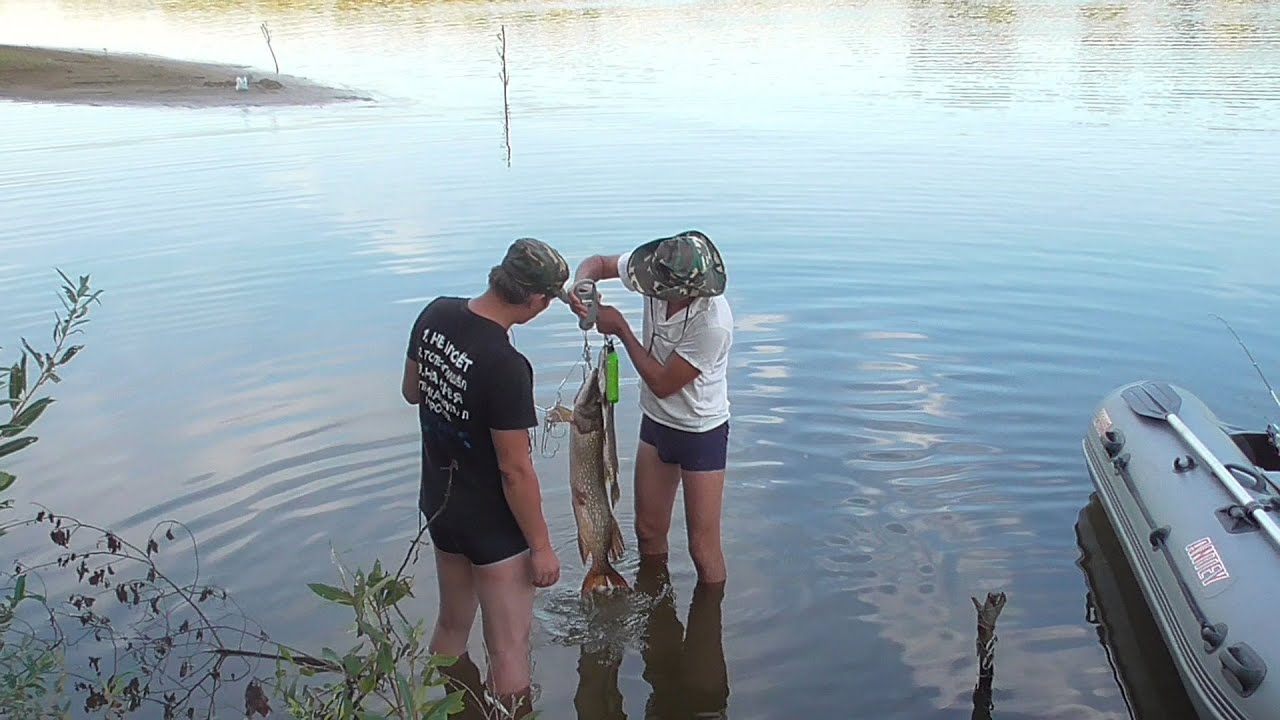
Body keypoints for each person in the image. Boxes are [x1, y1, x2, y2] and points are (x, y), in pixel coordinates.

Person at [401, 237, 569, 717]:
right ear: (535, 301)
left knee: (452, 626)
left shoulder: (435, 315)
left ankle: (447, 707)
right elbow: (515, 470)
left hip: (441, 505)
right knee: (509, 651)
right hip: (493, 528)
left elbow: (412, 392)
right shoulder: (506, 366)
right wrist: (541, 547)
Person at [569, 230, 733, 585]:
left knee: (702, 550)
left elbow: (661, 383)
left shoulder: (713, 323)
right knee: (647, 532)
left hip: (700, 432)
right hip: (657, 425)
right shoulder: (653, 272)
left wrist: (621, 329)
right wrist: (584, 288)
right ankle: (652, 609)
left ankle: (710, 629)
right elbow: (598, 263)